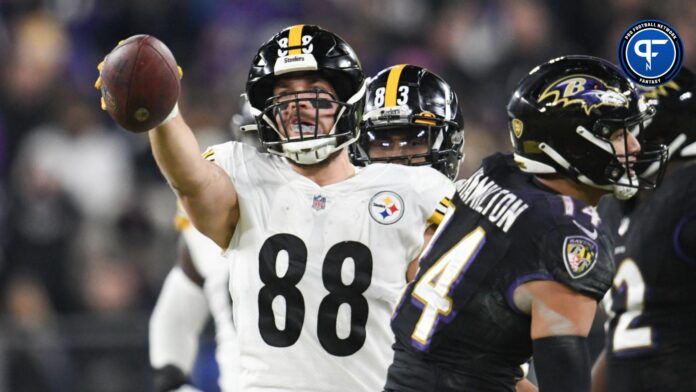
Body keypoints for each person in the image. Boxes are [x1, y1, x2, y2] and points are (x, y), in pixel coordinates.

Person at [97, 24, 454, 392]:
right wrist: (165, 111)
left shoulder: (409, 191)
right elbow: (191, 180)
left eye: (315, 93)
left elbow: (458, 314)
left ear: (349, 100)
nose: (299, 108)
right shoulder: (244, 173)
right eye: (284, 96)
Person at [385, 55, 666, 392]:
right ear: (572, 142)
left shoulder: (499, 174)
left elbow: (476, 362)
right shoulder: (567, 235)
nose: (633, 146)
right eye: (616, 133)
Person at [591, 67, 696, 392]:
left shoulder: (686, 193)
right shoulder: (614, 205)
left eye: (627, 131)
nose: (619, 145)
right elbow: (625, 335)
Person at [351, 64, 465, 182]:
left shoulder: (469, 198)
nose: (397, 160)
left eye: (414, 143)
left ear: (449, 142)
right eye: (383, 144)